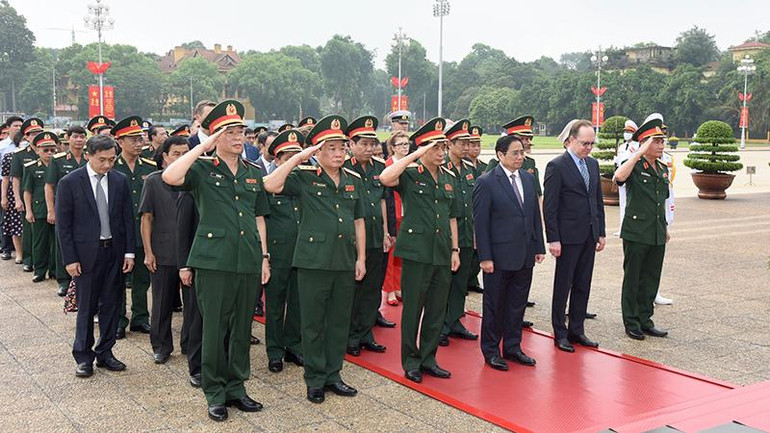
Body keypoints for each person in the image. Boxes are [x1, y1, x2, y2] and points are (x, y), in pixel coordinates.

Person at [163, 99, 269, 421]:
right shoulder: (202, 169)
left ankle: (237, 387)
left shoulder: (253, 172)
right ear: (215, 136)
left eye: (242, 131)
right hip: (213, 260)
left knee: (241, 327)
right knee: (214, 328)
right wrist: (202, 146)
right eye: (231, 132)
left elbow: (259, 216)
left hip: (247, 258)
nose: (240, 138)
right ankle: (215, 391)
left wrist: (264, 256)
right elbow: (170, 176)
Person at [263, 115, 366, 404]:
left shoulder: (352, 180)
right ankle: (314, 379)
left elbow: (358, 221)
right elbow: (270, 184)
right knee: (312, 323)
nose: (338, 153)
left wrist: (361, 258)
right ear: (318, 151)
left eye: (341, 148)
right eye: (330, 148)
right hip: (312, 261)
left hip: (344, 261)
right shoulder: (305, 177)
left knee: (338, 322)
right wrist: (299, 158)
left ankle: (334, 374)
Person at [379, 117, 461, 384]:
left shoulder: (449, 178)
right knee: (413, 309)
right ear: (424, 150)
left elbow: (452, 217)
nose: (441, 153)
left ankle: (429, 358)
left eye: (443, 148)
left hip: (441, 252)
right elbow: (385, 177)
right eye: (435, 149)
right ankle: (411, 361)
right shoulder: (411, 174)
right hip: (416, 253)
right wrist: (414, 154)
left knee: (436, 310)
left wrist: (455, 249)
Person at [56, 134, 136, 378]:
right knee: (87, 307)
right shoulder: (70, 182)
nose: (108, 165)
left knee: (112, 305)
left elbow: (127, 219)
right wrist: (70, 259)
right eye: (102, 160)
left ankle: (106, 352)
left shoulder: (119, 180)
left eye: (112, 160)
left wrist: (129, 252)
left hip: (114, 251)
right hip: (85, 255)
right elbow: (64, 225)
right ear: (89, 155)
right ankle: (83, 356)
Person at [474, 135, 545, 371]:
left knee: (517, 304)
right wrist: (485, 257)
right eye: (515, 152)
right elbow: (481, 223)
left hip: (524, 253)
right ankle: (491, 350)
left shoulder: (527, 178)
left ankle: (513, 347)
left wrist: (538, 247)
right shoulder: (487, 182)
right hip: (498, 256)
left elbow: (534, 215)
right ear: (500, 155)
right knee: (494, 305)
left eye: (522, 152)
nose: (520, 157)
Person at [543, 119, 605, 353]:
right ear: (571, 140)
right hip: (567, 237)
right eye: (584, 143)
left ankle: (577, 330)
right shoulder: (556, 166)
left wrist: (600, 232)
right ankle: (560, 332)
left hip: (588, 235)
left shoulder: (593, 165)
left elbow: (596, 200)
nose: (588, 148)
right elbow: (550, 206)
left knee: (583, 284)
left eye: (591, 144)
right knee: (563, 285)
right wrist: (553, 238)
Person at [614, 118, 671, 341]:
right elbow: (618, 177)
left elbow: (661, 200)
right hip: (636, 232)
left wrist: (664, 226)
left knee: (650, 278)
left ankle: (646, 319)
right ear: (645, 143)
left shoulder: (662, 168)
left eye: (662, 141)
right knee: (633, 277)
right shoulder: (634, 165)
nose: (661, 145)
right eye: (656, 141)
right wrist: (638, 153)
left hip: (656, 231)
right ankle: (631, 321)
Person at [343, 116, 391, 357]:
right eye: (364, 143)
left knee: (373, 287)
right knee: (353, 289)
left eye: (373, 144)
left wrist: (385, 232)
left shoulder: (380, 168)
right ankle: (350, 336)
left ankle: (365, 333)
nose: (369, 148)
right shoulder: (343, 167)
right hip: (352, 240)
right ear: (351, 144)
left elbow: (383, 201)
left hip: (375, 237)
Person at [140, 136, 189, 364]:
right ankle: (161, 346)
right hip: (163, 251)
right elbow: (146, 218)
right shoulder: (153, 181)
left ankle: (190, 344)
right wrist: (148, 252)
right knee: (161, 303)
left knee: (194, 305)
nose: (181, 158)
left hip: (191, 253)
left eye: (185, 153)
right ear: (165, 158)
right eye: (176, 154)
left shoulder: (195, 180)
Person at [263, 129, 304, 374]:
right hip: (277, 255)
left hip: (302, 254)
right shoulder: (267, 185)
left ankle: (294, 345)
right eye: (287, 157)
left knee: (298, 303)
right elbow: (262, 223)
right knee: (276, 305)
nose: (293, 161)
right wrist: (264, 256)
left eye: (297, 156)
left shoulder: (304, 184)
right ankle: (275, 350)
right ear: (277, 160)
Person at [112, 116, 157, 340]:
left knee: (142, 277)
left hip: (144, 230)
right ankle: (119, 319)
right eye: (133, 140)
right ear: (120, 142)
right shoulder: (111, 166)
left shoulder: (149, 166)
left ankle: (140, 318)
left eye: (140, 139)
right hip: (118, 231)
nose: (138, 144)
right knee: (118, 277)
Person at [439, 119, 478, 346]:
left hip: (467, 233)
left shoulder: (471, 169)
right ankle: (441, 324)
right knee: (445, 282)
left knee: (461, 282)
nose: (465, 147)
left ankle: (454, 320)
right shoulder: (442, 169)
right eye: (461, 143)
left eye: (467, 143)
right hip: (447, 234)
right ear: (449, 144)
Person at [45, 126, 88, 296]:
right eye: (76, 137)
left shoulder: (89, 158)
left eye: (82, 136)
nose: (79, 140)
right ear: (68, 138)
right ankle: (63, 281)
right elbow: (49, 186)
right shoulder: (58, 159)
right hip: (65, 208)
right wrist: (51, 210)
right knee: (61, 243)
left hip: (86, 209)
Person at [23, 132, 59, 283]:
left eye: (52, 150)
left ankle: (54, 270)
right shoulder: (31, 168)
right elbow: (27, 190)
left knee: (56, 243)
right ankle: (39, 270)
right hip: (39, 210)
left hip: (57, 209)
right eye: (45, 150)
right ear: (37, 150)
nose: (49, 153)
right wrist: (28, 211)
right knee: (39, 242)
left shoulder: (59, 164)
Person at [11, 118, 45, 273]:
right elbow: (16, 178)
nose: (35, 136)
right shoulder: (20, 155)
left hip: (46, 196)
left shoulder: (50, 151)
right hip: (28, 197)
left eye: (38, 132)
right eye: (32, 134)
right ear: (26, 136)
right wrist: (17, 199)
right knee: (30, 230)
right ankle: (29, 259)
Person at [176, 189, 203, 388]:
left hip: (221, 264)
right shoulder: (189, 193)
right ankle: (197, 367)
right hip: (196, 264)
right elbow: (182, 232)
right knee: (196, 319)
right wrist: (184, 266)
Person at [382, 131, 410, 306]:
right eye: (400, 144)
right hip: (394, 215)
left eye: (407, 144)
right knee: (391, 255)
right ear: (392, 148)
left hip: (408, 215)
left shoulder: (412, 164)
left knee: (402, 254)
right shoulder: (387, 165)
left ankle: (399, 286)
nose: (404, 147)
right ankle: (389, 290)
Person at [465, 125, 485, 295]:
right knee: (468, 250)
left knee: (478, 250)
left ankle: (472, 279)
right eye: (472, 144)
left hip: (480, 212)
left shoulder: (484, 166)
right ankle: (465, 280)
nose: (475, 148)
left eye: (478, 144)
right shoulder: (460, 167)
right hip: (466, 213)